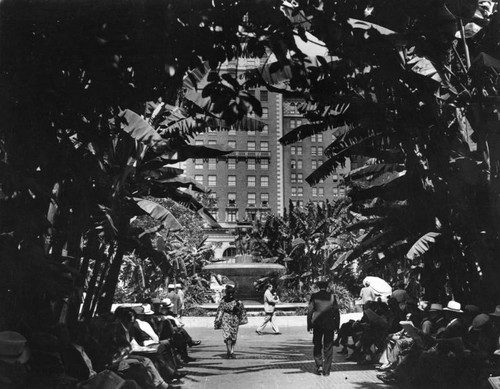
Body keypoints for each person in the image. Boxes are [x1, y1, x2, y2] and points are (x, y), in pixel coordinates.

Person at [307, 280, 340, 376]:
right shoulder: (332, 297)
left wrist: (309, 324)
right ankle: (326, 371)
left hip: (317, 323)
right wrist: (337, 325)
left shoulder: (314, 296)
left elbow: (310, 311)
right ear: (327, 287)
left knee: (317, 344)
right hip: (330, 324)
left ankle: (319, 365)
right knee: (328, 347)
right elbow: (336, 312)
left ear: (318, 287)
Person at [214, 283, 247, 359]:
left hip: (234, 319)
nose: (231, 295)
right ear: (227, 293)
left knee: (233, 336)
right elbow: (220, 310)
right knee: (227, 336)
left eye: (232, 293)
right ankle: (229, 352)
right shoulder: (223, 301)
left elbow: (242, 310)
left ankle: (232, 350)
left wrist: (238, 310)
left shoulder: (237, 301)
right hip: (226, 318)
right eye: (229, 293)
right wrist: (218, 320)